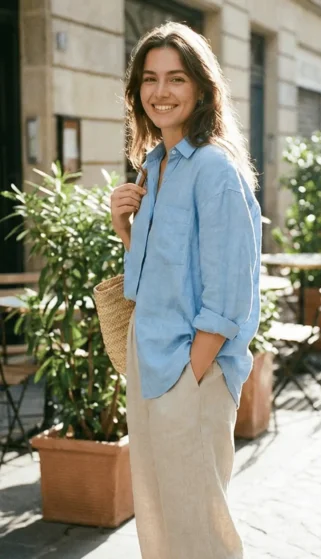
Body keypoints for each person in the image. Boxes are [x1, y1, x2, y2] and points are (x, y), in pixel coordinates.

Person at [109, 22, 262, 559]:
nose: (161, 91)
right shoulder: (154, 166)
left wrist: (191, 373)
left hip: (189, 370)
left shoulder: (215, 170)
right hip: (149, 361)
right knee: (158, 519)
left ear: (201, 87)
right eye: (149, 79)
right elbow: (155, 278)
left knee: (199, 529)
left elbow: (230, 290)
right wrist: (125, 230)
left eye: (176, 78)